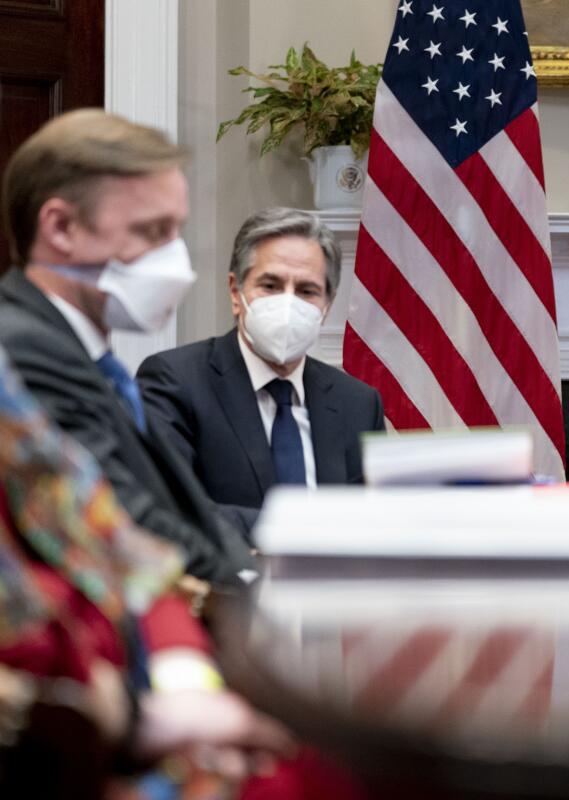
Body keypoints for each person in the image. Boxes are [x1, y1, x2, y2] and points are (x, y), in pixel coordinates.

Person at [0, 344, 294, 798]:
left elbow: (128, 556)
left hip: (155, 707)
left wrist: (188, 682)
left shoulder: (10, 404)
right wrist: (141, 721)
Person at [0, 109, 255, 586]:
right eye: (152, 231)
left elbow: (184, 509)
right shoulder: (22, 351)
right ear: (60, 228)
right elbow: (123, 516)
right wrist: (248, 588)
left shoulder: (85, 354)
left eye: (175, 231)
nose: (175, 260)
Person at [137, 208, 385, 536]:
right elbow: (170, 509)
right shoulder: (175, 381)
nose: (288, 303)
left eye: (307, 291)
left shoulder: (358, 403)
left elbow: (376, 521)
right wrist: (304, 529)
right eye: (270, 285)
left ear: (327, 305)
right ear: (235, 292)